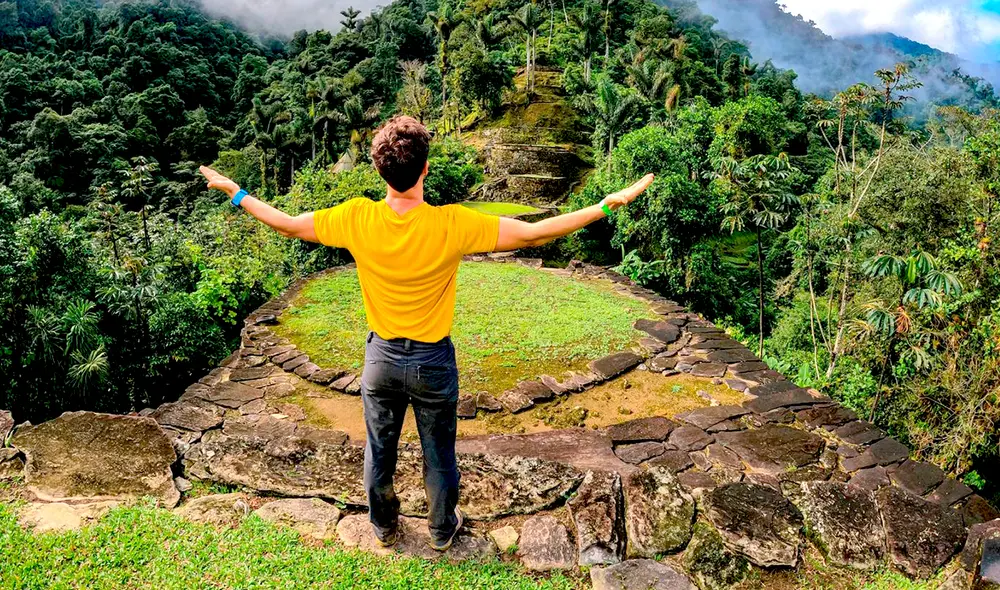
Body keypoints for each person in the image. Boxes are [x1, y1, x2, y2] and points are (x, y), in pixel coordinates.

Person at [200, 115, 653, 551]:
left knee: (379, 451)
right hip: (433, 361)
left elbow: (287, 223)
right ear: (425, 169)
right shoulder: (450, 223)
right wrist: (604, 205)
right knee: (439, 453)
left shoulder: (357, 217)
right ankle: (440, 529)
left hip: (380, 360)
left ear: (379, 170)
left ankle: (383, 526)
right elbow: (534, 234)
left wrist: (237, 192)